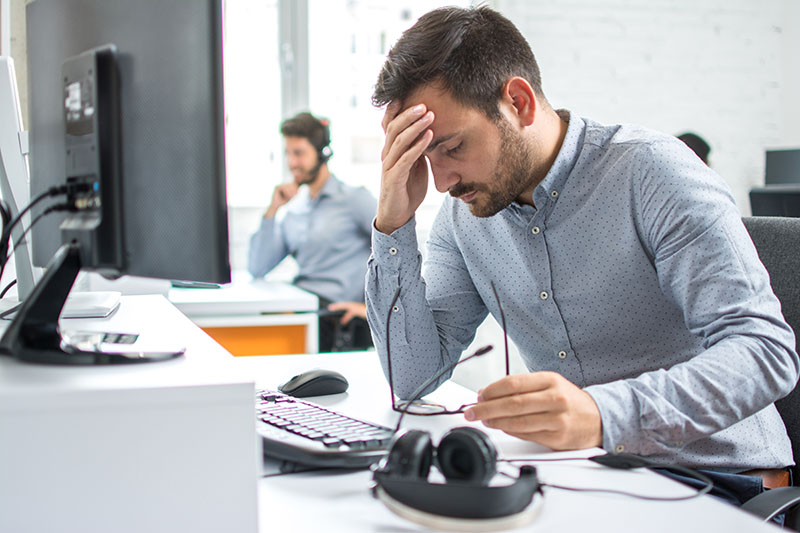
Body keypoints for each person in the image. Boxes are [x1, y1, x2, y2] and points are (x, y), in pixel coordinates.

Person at [366, 5, 798, 504]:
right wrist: (393, 224)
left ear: (519, 103)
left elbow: (765, 351)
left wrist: (600, 415)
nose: (441, 181)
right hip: (592, 476)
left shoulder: (652, 173)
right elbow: (412, 376)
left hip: (722, 480)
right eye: (424, 157)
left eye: (453, 147)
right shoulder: (463, 218)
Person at [248, 112, 376, 352]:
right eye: (288, 153)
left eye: (299, 153)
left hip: (334, 320)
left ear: (322, 153)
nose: (292, 163)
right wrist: (272, 209)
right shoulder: (295, 210)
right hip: (301, 310)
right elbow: (257, 267)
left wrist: (371, 311)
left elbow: (400, 252)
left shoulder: (353, 200)